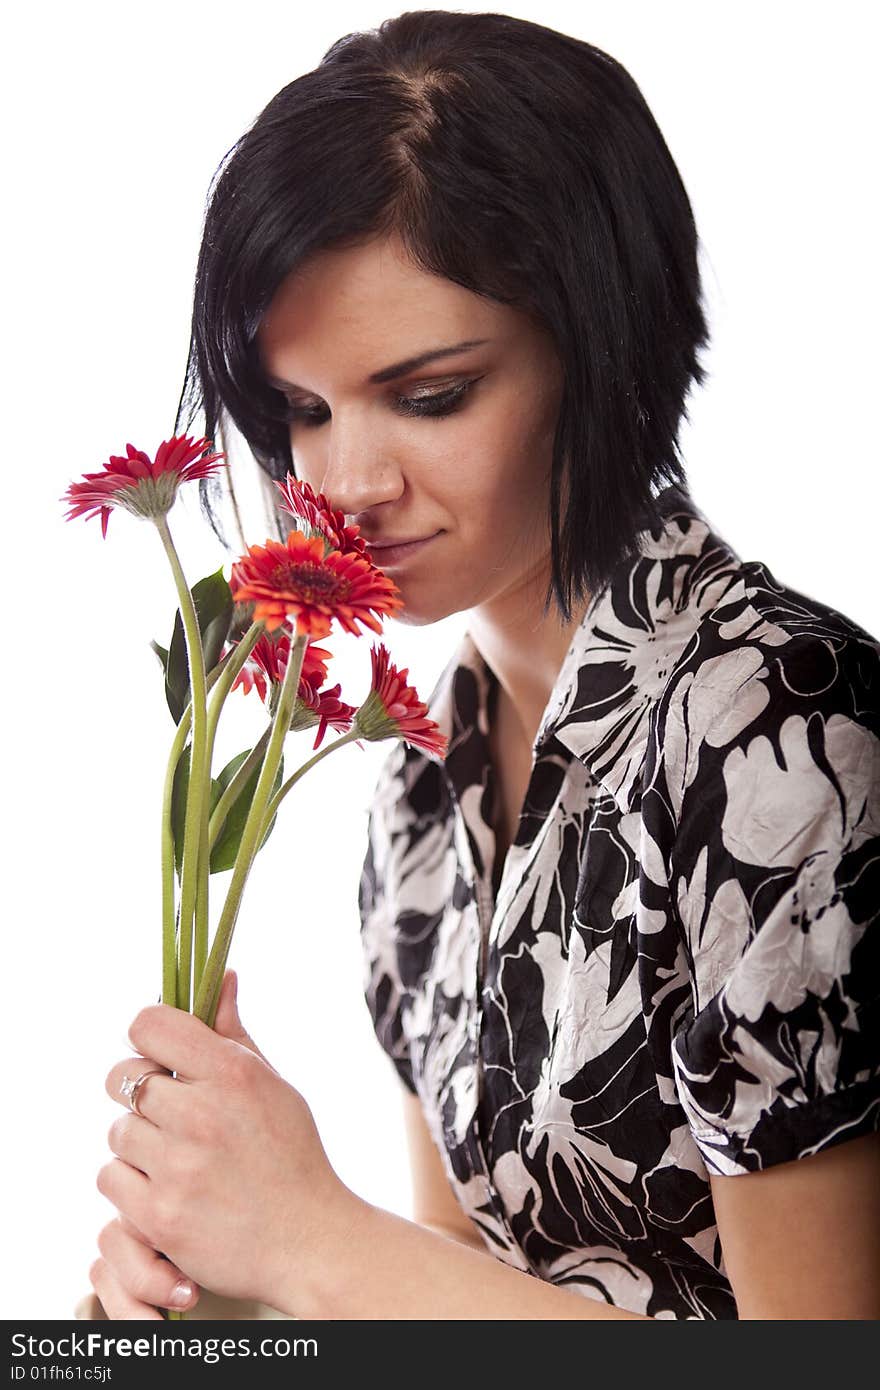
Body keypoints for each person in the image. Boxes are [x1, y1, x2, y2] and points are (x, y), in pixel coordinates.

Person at [87, 10, 880, 1320]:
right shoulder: (411, 777)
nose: (340, 486)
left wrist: (309, 1237)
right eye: (302, 409)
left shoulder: (788, 731)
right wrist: (227, 1302)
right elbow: (470, 1302)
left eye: (432, 393)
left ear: (603, 346)